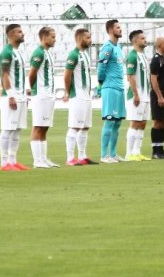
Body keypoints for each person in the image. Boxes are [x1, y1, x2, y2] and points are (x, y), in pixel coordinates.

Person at [0, 23, 31, 171]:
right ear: (11, 35)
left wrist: (25, 91)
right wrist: (10, 95)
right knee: (7, 129)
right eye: (19, 32)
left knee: (17, 129)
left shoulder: (18, 52)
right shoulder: (7, 52)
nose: (22, 34)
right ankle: (4, 162)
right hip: (11, 96)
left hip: (21, 96)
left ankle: (13, 160)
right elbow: (4, 74)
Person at [63, 28, 96, 166]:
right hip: (77, 96)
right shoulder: (73, 55)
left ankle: (82, 155)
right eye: (88, 38)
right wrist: (67, 92)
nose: (90, 40)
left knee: (85, 127)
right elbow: (67, 75)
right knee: (75, 126)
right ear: (80, 38)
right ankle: (70, 158)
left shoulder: (85, 54)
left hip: (87, 96)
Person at [29, 26, 59, 168]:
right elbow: (32, 73)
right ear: (44, 37)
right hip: (40, 94)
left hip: (48, 95)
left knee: (45, 127)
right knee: (38, 126)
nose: (55, 39)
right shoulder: (39, 53)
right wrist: (32, 89)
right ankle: (37, 160)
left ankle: (43, 158)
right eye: (52, 37)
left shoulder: (47, 53)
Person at [98, 19, 126, 163]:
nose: (120, 29)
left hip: (120, 88)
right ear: (110, 30)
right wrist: (100, 84)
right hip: (110, 88)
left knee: (117, 123)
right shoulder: (107, 47)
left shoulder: (118, 47)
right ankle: (104, 156)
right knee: (109, 121)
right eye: (117, 27)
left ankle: (113, 154)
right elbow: (101, 67)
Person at [124, 30, 151, 161]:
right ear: (135, 41)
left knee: (143, 123)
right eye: (142, 38)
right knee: (134, 123)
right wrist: (135, 94)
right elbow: (130, 76)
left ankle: (137, 151)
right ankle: (129, 154)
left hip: (145, 95)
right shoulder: (132, 56)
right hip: (137, 96)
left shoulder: (143, 56)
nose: (145, 40)